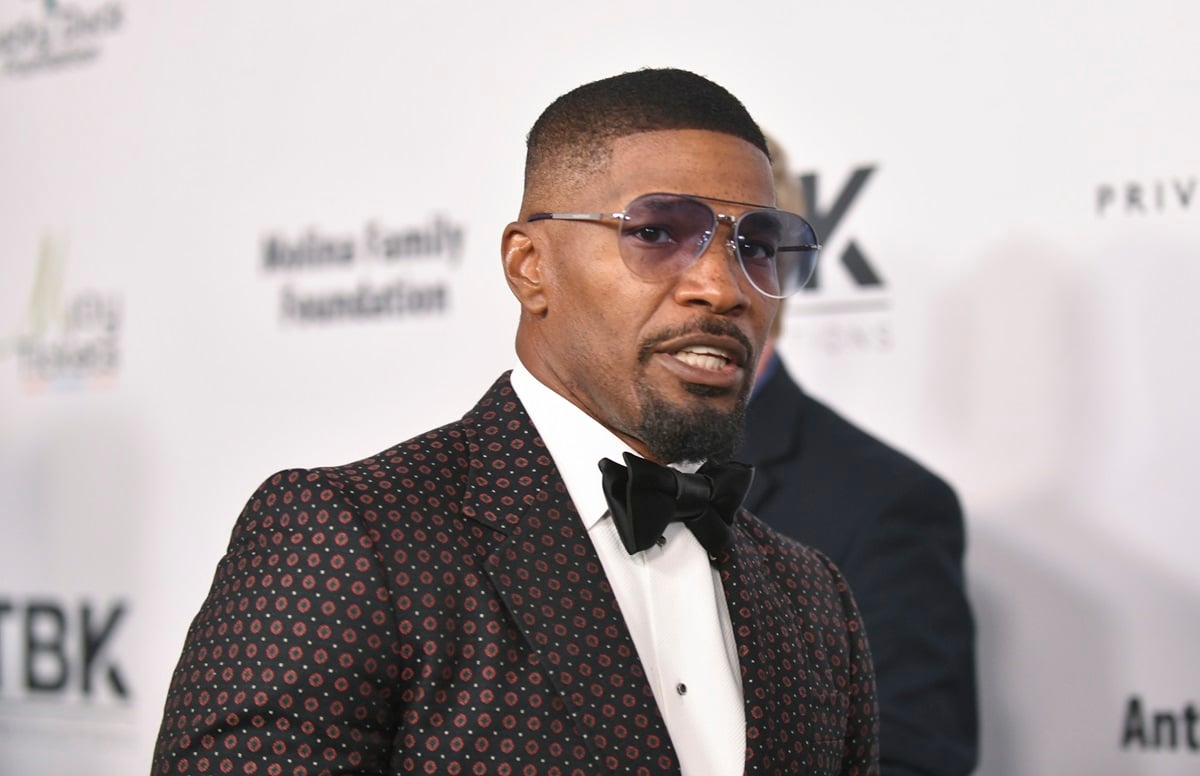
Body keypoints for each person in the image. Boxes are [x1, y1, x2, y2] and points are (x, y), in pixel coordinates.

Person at [151, 68, 879, 775]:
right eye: (657, 234)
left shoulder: (813, 599)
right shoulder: (350, 538)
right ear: (530, 267)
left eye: (754, 246)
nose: (722, 288)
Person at [736, 138, 977, 775]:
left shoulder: (886, 505)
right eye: (654, 235)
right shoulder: (544, 476)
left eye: (743, 248)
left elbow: (909, 761)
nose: (697, 278)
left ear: (779, 268)